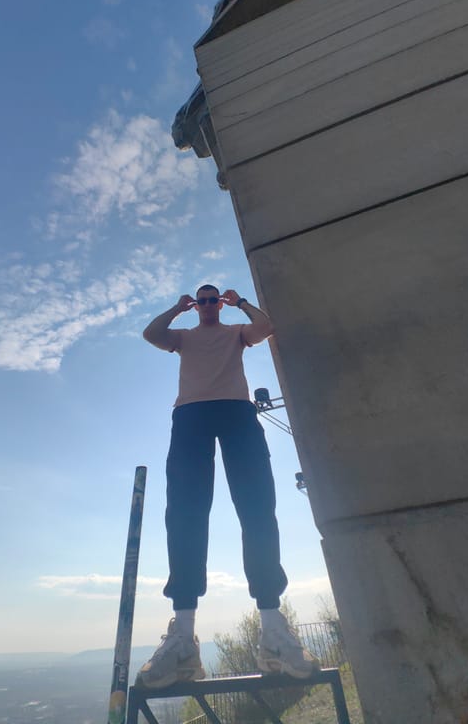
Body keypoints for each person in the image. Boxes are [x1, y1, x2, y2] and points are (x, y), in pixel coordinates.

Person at [136, 284, 319, 688]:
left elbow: (267, 326)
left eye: (211, 299)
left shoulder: (236, 331)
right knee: (184, 515)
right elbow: (151, 334)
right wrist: (176, 309)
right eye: (200, 300)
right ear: (195, 305)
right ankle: (182, 637)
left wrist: (241, 303)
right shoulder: (183, 338)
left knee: (257, 510)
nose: (205, 305)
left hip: (237, 413)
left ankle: (272, 630)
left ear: (219, 303)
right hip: (190, 416)